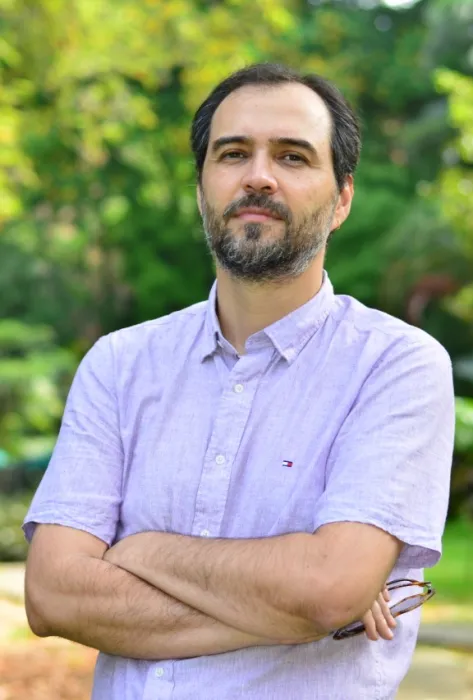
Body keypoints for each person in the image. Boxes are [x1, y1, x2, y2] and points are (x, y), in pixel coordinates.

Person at [23, 63, 455, 699]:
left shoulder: (396, 365)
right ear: (202, 189)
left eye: (292, 156)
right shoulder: (119, 365)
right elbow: (53, 596)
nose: (258, 176)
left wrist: (139, 551)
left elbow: (328, 590)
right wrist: (300, 609)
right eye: (232, 153)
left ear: (342, 199)